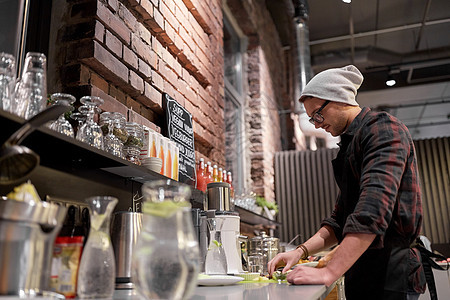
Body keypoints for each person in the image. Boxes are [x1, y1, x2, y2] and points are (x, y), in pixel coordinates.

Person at [268, 65, 426, 300]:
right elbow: (339, 220)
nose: (317, 124)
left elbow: (373, 210)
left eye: (317, 115)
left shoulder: (383, 129)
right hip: (361, 270)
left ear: (338, 98)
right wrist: (300, 252)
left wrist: (331, 270)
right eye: (312, 119)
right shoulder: (350, 146)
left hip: (391, 270)